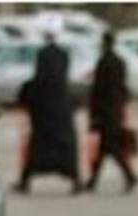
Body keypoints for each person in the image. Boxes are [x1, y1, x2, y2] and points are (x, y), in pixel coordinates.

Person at [15, 26, 86, 194]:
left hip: (44, 113)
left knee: (38, 148)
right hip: (61, 111)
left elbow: (33, 86)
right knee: (65, 149)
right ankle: (75, 180)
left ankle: (25, 181)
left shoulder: (40, 68)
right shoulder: (63, 61)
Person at [85, 31, 137, 193]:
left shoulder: (103, 62)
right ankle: (93, 181)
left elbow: (99, 90)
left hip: (106, 111)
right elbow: (123, 87)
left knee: (111, 148)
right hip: (116, 109)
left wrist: (94, 112)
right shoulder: (120, 62)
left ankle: (129, 176)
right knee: (105, 148)